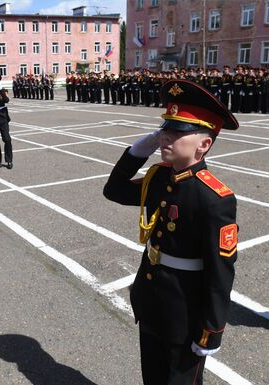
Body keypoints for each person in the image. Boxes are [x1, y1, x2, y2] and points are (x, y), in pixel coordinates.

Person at [103, 80, 239, 385]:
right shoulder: (159, 178)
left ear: (203, 144)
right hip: (152, 302)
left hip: (185, 316)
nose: (167, 136)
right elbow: (113, 190)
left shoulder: (214, 199)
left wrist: (211, 331)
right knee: (152, 378)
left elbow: (220, 274)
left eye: (178, 131)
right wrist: (137, 151)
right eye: (165, 128)